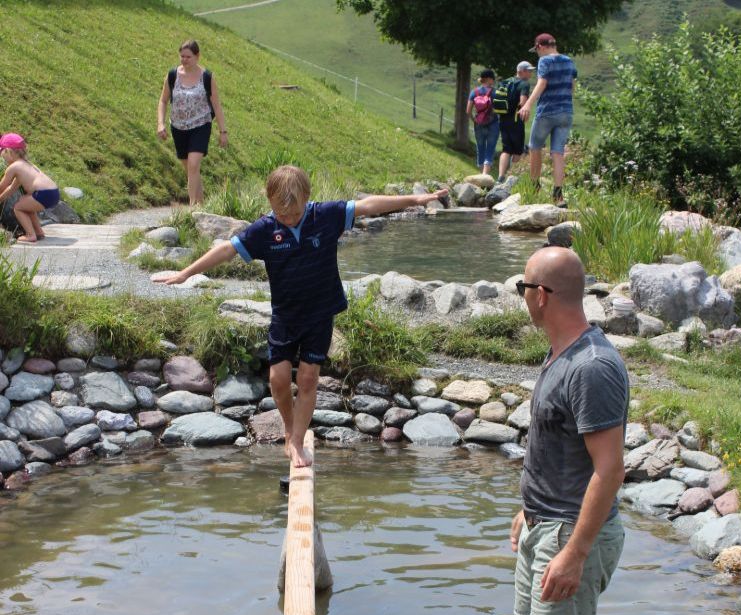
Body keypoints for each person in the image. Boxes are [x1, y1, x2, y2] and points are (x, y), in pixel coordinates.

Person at [154, 165, 448, 468]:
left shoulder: (325, 215)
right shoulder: (265, 229)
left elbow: (369, 205)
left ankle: (296, 440)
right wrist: (185, 272)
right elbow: (227, 250)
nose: (290, 219)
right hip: (286, 315)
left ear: (307, 198)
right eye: (283, 216)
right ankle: (288, 425)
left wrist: (415, 200)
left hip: (321, 312)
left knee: (308, 378)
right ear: (269, 203)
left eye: (295, 214)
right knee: (278, 379)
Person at [509, 246, 627, 615]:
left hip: (568, 535)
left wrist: (575, 553)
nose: (522, 296)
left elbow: (609, 470)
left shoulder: (591, 367)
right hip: (543, 525)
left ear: (541, 294)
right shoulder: (561, 351)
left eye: (522, 287)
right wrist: (529, 510)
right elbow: (556, 443)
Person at [157, 39, 228, 206]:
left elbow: (216, 105)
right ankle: (202, 207)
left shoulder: (207, 77)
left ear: (197, 56)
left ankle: (192, 208)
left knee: (194, 164)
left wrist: (223, 131)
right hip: (178, 127)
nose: (184, 60)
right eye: (182, 56)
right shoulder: (172, 75)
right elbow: (163, 101)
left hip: (200, 125)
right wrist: (160, 123)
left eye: (188, 57)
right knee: (190, 169)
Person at [519, 34, 578, 208]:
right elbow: (572, 86)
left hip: (547, 111)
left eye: (536, 50)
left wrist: (528, 104)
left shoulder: (544, 61)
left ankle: (534, 185)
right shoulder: (569, 61)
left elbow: (542, 83)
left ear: (540, 46)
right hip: (566, 112)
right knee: (558, 152)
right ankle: (558, 194)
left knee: (534, 146)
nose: (537, 54)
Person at [0, 133, 59, 244]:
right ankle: (38, 232)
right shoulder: (26, 165)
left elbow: (2, 187)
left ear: (9, 152)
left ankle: (31, 235)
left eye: (2, 153)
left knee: (18, 207)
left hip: (43, 194)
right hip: (53, 193)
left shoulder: (13, 167)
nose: (2, 157)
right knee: (26, 204)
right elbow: (12, 188)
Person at [497, 61, 534, 183]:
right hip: (516, 120)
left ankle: (501, 176)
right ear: (521, 71)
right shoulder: (524, 84)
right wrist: (525, 113)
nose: (531, 73)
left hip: (502, 119)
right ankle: (510, 178)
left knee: (506, 149)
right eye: (529, 70)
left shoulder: (505, 81)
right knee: (517, 150)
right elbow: (523, 103)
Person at [466, 69, 500, 176]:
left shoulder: (474, 92)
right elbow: (499, 110)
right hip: (493, 124)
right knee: (490, 149)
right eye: (493, 79)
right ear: (489, 79)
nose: (493, 81)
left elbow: (468, 111)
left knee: (480, 148)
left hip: (479, 124)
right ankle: (485, 174)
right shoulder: (495, 92)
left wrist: (475, 120)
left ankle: (481, 175)